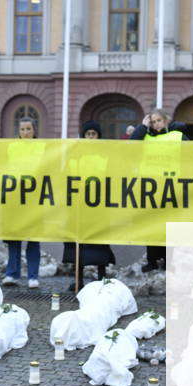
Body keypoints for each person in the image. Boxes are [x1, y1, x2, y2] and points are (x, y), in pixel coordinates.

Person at [131, 108, 188, 271]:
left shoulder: (177, 136)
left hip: (171, 187)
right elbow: (132, 143)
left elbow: (192, 154)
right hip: (150, 188)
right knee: (151, 225)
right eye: (153, 121)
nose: (156, 124)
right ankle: (152, 260)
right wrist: (143, 126)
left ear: (166, 121)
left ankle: (169, 260)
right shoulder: (146, 136)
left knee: (169, 227)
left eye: (159, 120)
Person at [62, 120, 116, 290]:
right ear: (83, 136)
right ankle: (78, 279)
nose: (91, 137)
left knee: (99, 241)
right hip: (78, 207)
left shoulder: (105, 156)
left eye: (94, 134)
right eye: (88, 134)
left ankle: (101, 277)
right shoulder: (75, 156)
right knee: (77, 243)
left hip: (98, 207)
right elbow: (68, 177)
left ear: (98, 136)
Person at [3, 117, 43, 288]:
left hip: (34, 198)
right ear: (18, 131)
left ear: (34, 130)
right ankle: (12, 273)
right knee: (14, 237)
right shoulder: (12, 147)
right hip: (15, 197)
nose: (25, 133)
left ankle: (33, 276)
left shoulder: (42, 147)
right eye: (22, 130)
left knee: (33, 238)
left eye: (28, 129)